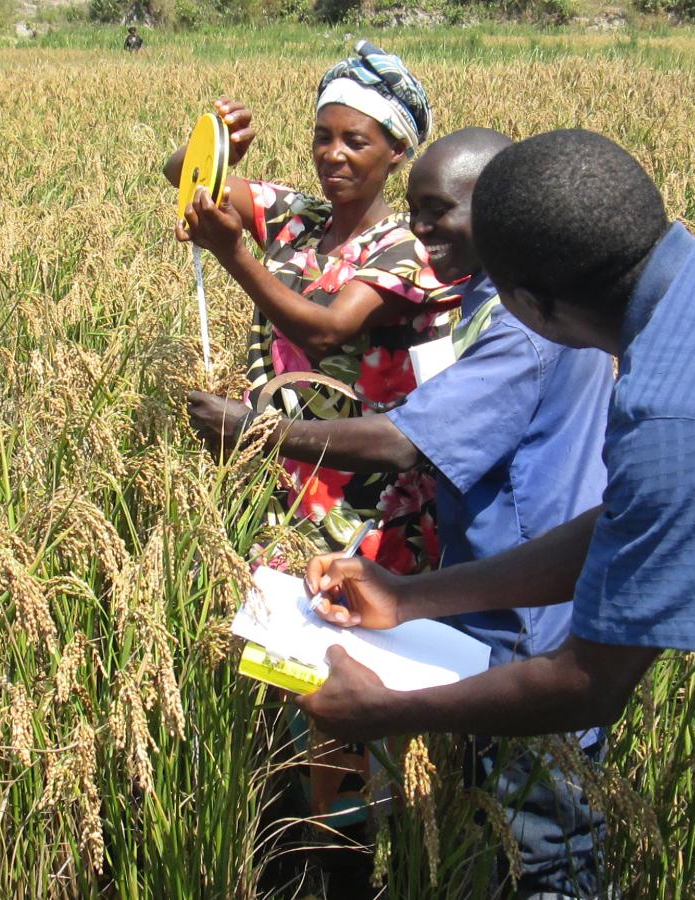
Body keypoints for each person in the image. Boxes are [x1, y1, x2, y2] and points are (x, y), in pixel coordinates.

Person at [296, 128, 695, 898]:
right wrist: (412, 596)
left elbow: (589, 679)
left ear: (527, 305)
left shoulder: (679, 418)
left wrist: (389, 708)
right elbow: (633, 520)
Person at [189, 126, 615, 896]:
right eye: (415, 210)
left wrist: (251, 432)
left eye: (435, 210)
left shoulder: (522, 329)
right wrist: (210, 147)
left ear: (503, 212)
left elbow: (400, 444)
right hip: (494, 605)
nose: (417, 229)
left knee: (542, 850)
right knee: (493, 836)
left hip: (527, 630)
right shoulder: (503, 300)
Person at [166, 39, 456, 574]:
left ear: (396, 152)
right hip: (280, 476)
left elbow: (326, 332)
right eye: (323, 137)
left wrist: (232, 253)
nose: (333, 154)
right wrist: (215, 147)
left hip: (364, 497)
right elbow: (180, 176)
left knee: (342, 642)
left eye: (355, 141)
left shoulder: (405, 249)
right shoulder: (299, 218)